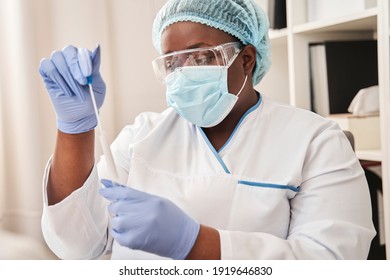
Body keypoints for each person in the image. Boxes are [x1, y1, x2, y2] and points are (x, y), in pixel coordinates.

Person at [38, 0, 375, 260]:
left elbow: (333, 261)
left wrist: (196, 243)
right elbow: (78, 245)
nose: (182, 73)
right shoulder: (142, 136)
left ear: (246, 60)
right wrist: (75, 130)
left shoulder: (315, 141)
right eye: (171, 61)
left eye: (199, 58)